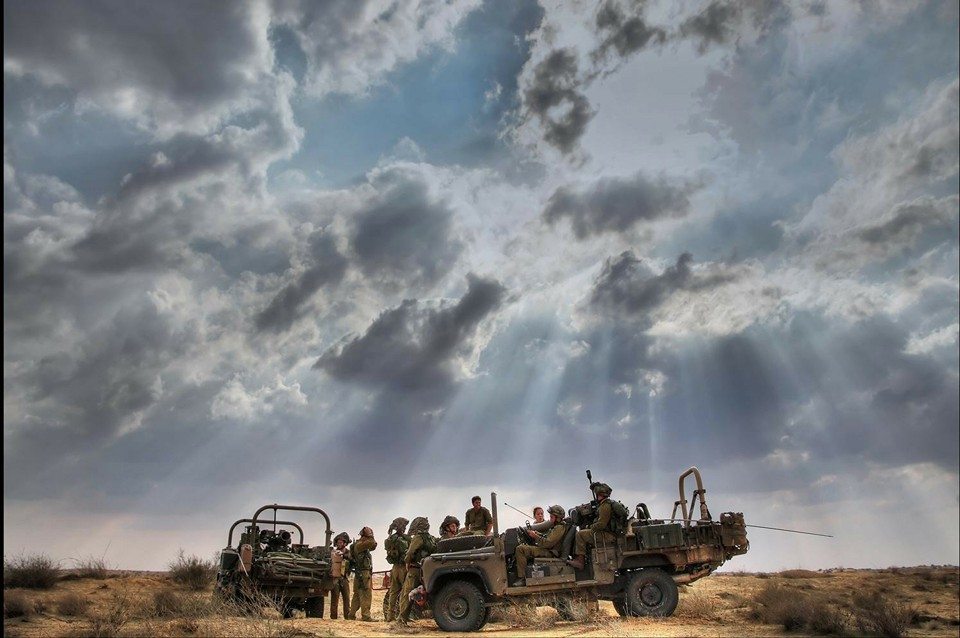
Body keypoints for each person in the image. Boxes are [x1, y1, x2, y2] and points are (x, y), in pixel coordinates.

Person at [514, 505, 568, 584]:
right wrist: (537, 533)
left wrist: (535, 536)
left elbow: (547, 543)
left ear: (558, 518)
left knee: (520, 549)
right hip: (547, 549)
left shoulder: (559, 528)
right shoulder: (556, 526)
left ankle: (522, 578)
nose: (550, 519)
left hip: (550, 552)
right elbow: (547, 537)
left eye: (552, 517)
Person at [397, 517, 436, 624]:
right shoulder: (430, 538)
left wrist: (407, 562)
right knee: (416, 593)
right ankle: (406, 617)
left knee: (406, 593)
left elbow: (410, 552)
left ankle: (401, 619)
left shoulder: (418, 537)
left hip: (415, 569)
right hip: (426, 570)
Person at [568, 483, 615, 570]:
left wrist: (590, 527)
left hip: (607, 535)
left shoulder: (605, 506)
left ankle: (580, 562)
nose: (596, 496)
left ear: (601, 495)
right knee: (584, 532)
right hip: (608, 533)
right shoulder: (605, 504)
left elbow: (601, 524)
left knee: (580, 534)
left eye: (597, 494)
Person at [347, 527, 377, 621]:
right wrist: (370, 535)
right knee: (366, 594)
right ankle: (366, 616)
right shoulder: (361, 545)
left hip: (359, 573)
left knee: (357, 596)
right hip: (363, 573)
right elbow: (372, 543)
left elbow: (373, 546)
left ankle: (351, 615)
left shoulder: (358, 545)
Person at [382, 517, 409, 622]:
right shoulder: (402, 539)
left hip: (394, 568)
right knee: (404, 592)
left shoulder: (390, 539)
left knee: (393, 592)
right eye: (404, 526)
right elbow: (407, 551)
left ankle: (390, 616)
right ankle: (402, 616)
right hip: (403, 567)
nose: (405, 528)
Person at [328, 532, 351, 619]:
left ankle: (347, 617)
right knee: (335, 599)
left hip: (344, 578)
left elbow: (351, 558)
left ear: (345, 543)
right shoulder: (333, 552)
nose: (339, 544)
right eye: (338, 542)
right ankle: (333, 617)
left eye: (341, 542)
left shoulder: (348, 552)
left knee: (346, 599)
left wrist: (344, 556)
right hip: (335, 579)